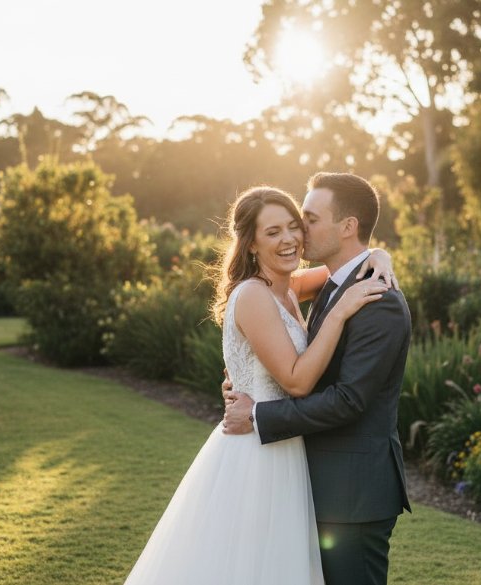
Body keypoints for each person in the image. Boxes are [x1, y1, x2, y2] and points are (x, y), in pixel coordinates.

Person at [122, 184, 395, 585]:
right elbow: (297, 382)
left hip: (285, 445)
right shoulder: (253, 295)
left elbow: (349, 263)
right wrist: (339, 314)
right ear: (250, 243)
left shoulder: (289, 287)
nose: (289, 239)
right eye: (272, 232)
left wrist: (381, 254)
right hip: (257, 452)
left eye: (294, 226)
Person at [223, 172, 412, 585]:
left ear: (347, 226)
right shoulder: (330, 285)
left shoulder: (378, 302)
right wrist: (245, 381)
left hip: (353, 492)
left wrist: (257, 414)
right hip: (310, 480)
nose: (298, 233)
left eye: (306, 220)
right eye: (283, 227)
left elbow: (348, 400)